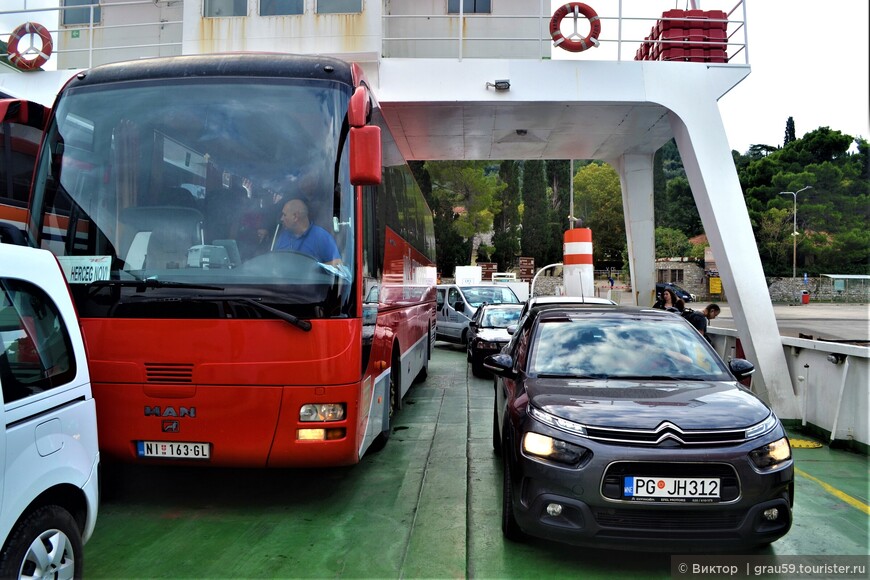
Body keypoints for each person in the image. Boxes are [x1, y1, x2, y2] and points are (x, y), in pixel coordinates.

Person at [273, 198, 342, 266]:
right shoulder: (283, 236)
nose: (281, 219)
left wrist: (313, 270)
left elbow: (338, 263)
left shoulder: (321, 236)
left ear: (295, 217)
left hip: (310, 277)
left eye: (284, 215)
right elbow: (274, 263)